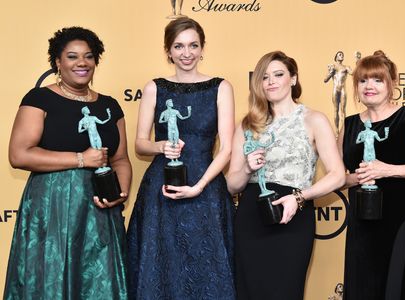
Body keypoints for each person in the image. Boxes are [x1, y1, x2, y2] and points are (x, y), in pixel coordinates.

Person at [4, 27, 131, 299]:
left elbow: (121, 159)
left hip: (99, 212)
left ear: (96, 61)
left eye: (88, 56)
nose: (81, 63)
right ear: (57, 63)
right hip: (52, 209)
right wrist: (81, 159)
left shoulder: (110, 106)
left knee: (98, 285)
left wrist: (120, 194)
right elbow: (19, 154)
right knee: (50, 281)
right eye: (72, 57)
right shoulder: (39, 98)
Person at [126, 17, 235, 299]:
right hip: (162, 191)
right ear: (168, 51)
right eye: (178, 46)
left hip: (206, 188)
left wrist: (200, 186)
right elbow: (140, 144)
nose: (186, 53)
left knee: (207, 266)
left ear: (202, 48)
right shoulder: (154, 88)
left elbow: (226, 148)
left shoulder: (221, 87)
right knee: (162, 266)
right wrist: (160, 146)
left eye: (193, 45)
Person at [227, 51, 345, 300]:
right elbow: (231, 185)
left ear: (293, 79)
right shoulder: (248, 124)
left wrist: (299, 197)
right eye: (264, 77)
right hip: (251, 217)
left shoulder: (314, 120)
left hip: (293, 216)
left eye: (278, 74)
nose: (271, 81)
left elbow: (337, 175)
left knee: (286, 291)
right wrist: (247, 168)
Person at [338, 50, 405, 300]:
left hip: (404, 219)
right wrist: (359, 177)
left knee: (401, 287)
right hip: (362, 222)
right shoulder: (350, 124)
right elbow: (338, 177)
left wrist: (387, 170)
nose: (369, 86)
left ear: (392, 83)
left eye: (377, 80)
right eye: (362, 81)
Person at [324, 51, 357, 135]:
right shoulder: (333, 66)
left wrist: (357, 61)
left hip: (342, 89)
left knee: (343, 110)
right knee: (335, 110)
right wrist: (331, 72)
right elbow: (325, 80)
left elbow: (353, 73)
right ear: (336, 57)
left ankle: (343, 131)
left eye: (342, 54)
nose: (341, 56)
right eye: (339, 54)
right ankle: (337, 132)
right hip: (335, 89)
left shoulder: (346, 67)